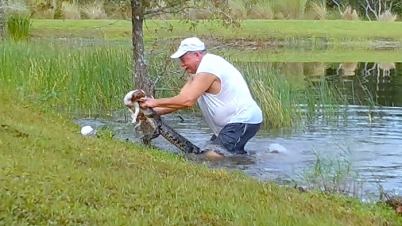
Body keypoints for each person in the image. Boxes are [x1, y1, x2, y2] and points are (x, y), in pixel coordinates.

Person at [140, 37, 263, 156]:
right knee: (221, 154)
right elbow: (181, 100)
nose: (182, 64)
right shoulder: (198, 72)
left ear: (197, 56)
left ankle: (261, 162)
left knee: (211, 157)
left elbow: (187, 100)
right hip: (229, 124)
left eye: (183, 59)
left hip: (243, 120)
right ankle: (256, 159)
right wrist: (151, 113)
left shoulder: (209, 67)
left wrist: (153, 103)